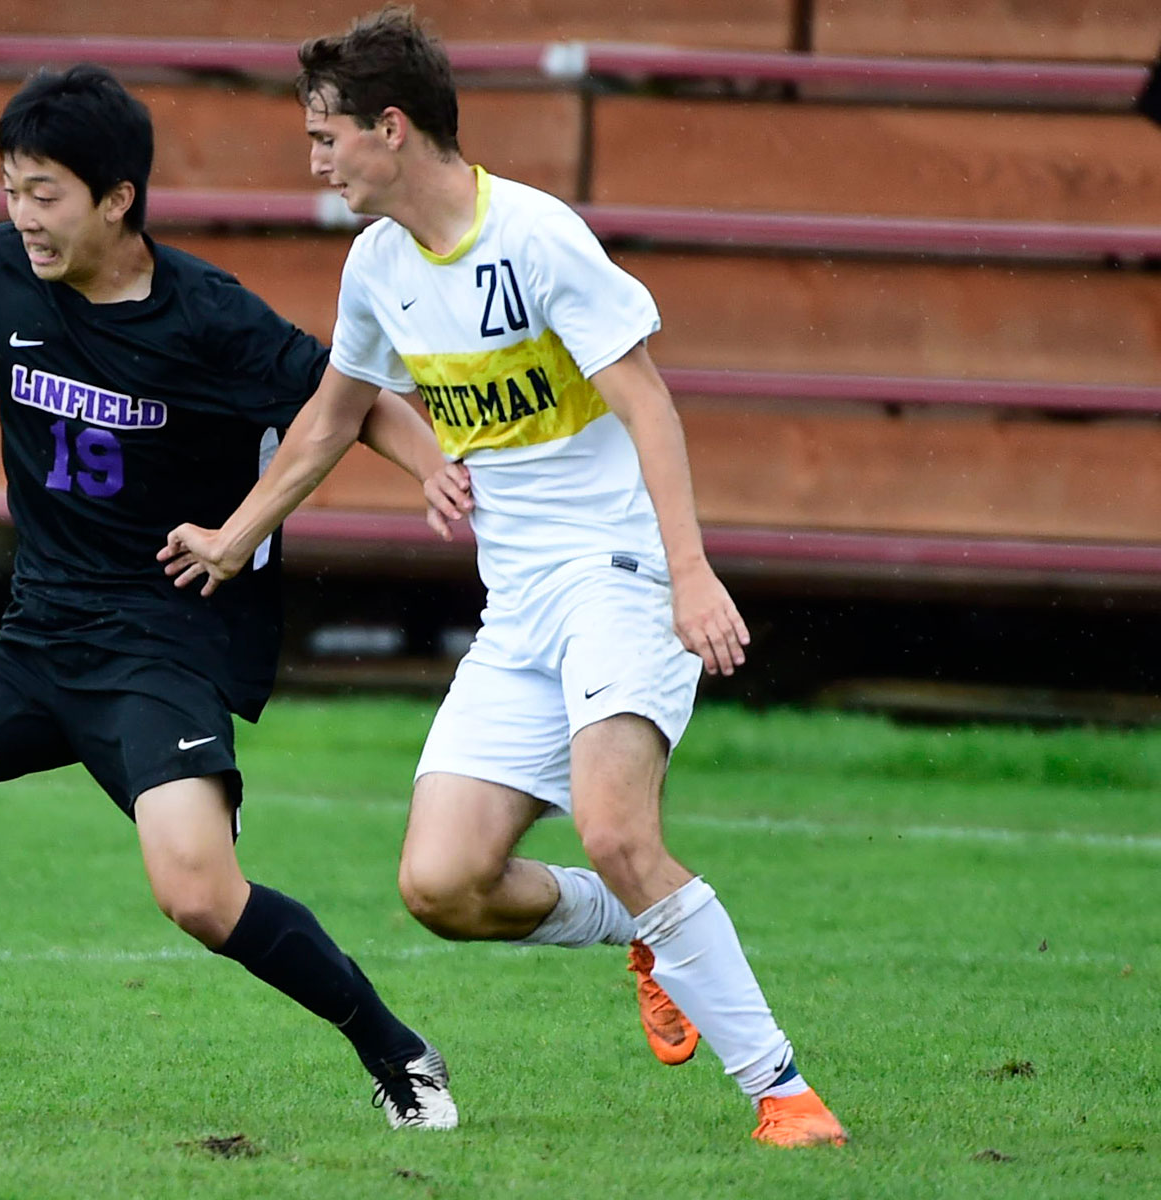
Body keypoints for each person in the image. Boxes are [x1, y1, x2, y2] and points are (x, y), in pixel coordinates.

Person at [0, 64, 460, 1130]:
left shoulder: (206, 317)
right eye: (12, 189)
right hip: (36, 639)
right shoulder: (1, 268)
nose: (24, 216)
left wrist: (429, 464)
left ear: (117, 198)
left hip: (162, 651)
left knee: (199, 896)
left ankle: (399, 1054)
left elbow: (347, 397)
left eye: (46, 193)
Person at [159, 7, 848, 1148]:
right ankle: (643, 930)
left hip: (619, 576)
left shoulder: (535, 236)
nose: (316, 159)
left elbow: (647, 401)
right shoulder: (378, 265)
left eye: (327, 135)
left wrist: (689, 573)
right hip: (518, 605)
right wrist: (236, 538)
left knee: (621, 829)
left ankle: (782, 1091)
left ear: (391, 127)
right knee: (441, 885)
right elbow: (332, 420)